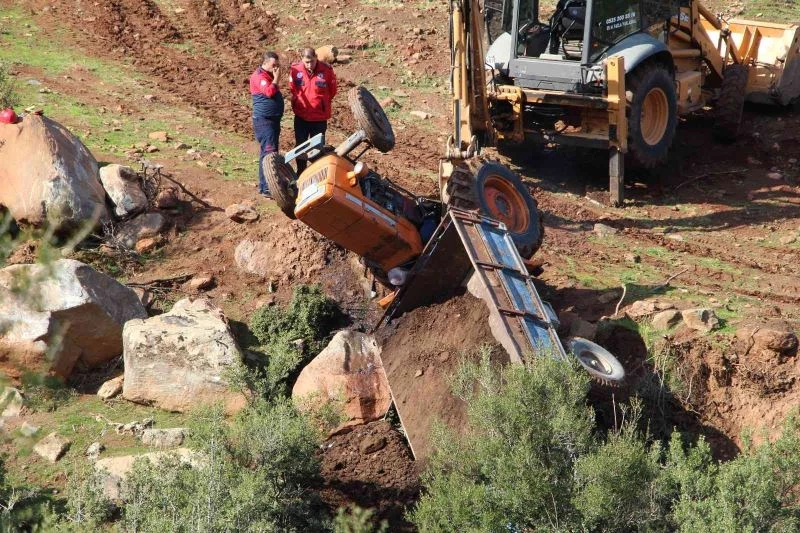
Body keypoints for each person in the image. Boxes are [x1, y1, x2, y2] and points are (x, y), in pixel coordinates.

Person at [290, 47, 337, 173]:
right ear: (302, 60)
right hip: (301, 117)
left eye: (312, 61)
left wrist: (320, 103)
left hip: (319, 118)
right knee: (300, 146)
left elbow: (332, 91)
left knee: (317, 148)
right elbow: (293, 88)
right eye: (306, 62)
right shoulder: (295, 70)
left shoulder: (326, 70)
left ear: (316, 58)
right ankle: (301, 173)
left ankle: (316, 174)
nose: (309, 65)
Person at [250, 51, 284, 196]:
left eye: (277, 65)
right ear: (265, 63)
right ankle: (266, 187)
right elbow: (269, 92)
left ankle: (269, 185)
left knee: (270, 153)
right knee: (268, 153)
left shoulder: (267, 75)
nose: (276, 68)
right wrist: (276, 79)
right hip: (264, 121)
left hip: (272, 120)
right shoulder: (259, 76)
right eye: (273, 65)